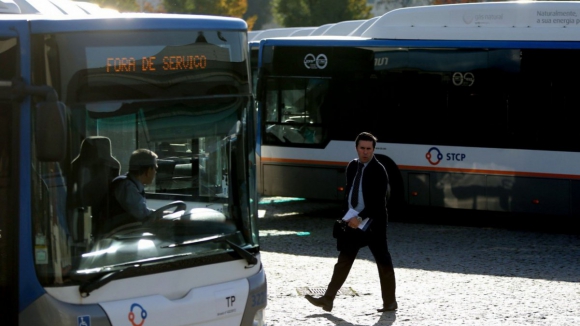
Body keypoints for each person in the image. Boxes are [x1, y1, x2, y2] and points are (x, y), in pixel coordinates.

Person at [305, 132, 397, 313]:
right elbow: (349, 193)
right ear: (356, 148)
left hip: (373, 224)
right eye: (362, 148)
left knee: (383, 261)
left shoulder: (379, 170)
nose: (365, 152)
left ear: (373, 150)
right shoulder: (352, 166)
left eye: (369, 149)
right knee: (344, 260)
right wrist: (346, 217)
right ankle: (328, 299)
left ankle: (390, 302)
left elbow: (379, 202)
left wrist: (361, 217)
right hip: (353, 220)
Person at [97, 149, 159, 235]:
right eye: (155, 168)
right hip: (114, 235)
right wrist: (159, 214)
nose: (155, 172)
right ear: (148, 171)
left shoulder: (132, 185)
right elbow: (141, 213)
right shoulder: (126, 186)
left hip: (123, 231)